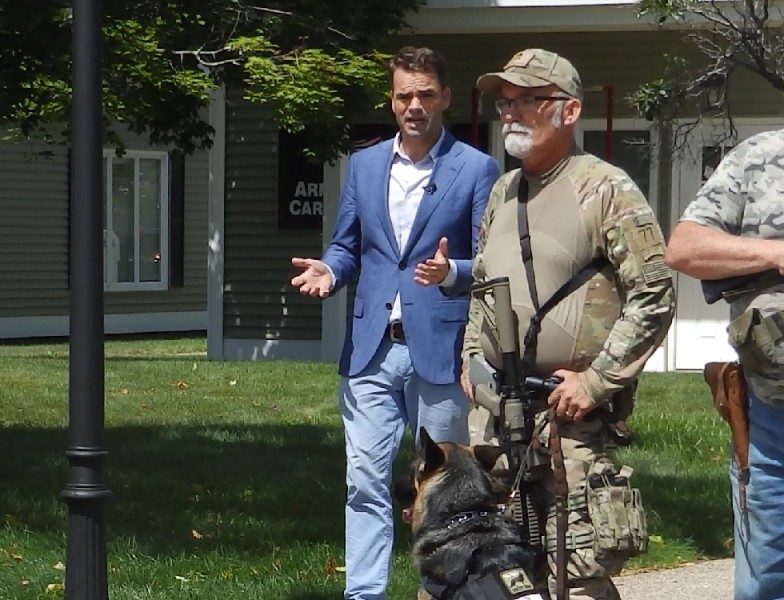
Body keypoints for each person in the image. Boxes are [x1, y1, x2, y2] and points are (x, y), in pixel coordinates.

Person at [462, 48, 675, 600]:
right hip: (495, 418)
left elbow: (654, 292)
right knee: (497, 573)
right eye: (506, 101)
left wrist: (599, 379)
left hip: (568, 422)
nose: (510, 112)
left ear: (569, 110)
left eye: (528, 100)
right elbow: (483, 286)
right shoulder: (502, 191)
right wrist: (469, 358)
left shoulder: (605, 189)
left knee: (574, 574)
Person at [290, 46, 500, 600]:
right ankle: (364, 593)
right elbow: (346, 246)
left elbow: (490, 259)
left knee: (450, 488)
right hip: (371, 348)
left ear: (445, 98)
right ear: (392, 100)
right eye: (405, 95)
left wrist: (450, 270)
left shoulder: (477, 168)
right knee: (363, 479)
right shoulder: (364, 165)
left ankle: (443, 589)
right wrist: (330, 274)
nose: (415, 105)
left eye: (426, 94)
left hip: (442, 348)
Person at [665, 131, 784, 600]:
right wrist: (774, 253)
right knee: (766, 578)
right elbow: (684, 248)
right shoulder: (760, 156)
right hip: (772, 417)